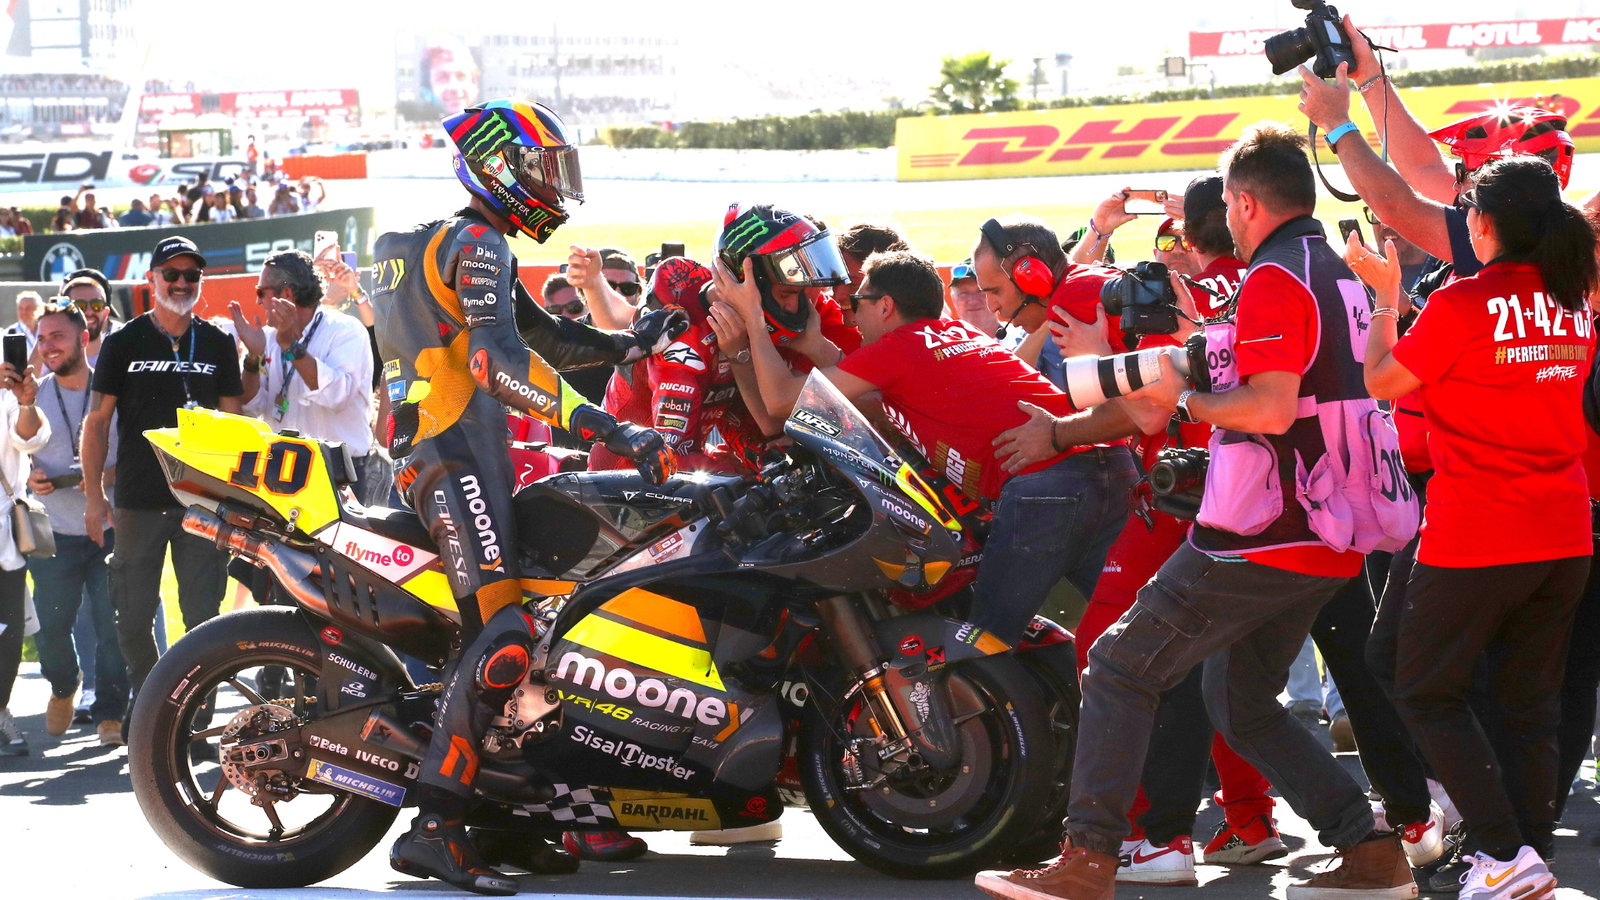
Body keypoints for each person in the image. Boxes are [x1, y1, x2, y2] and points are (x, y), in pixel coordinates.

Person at [975, 122, 1413, 900]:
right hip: (1331, 525)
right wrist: (1187, 362)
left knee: (1117, 666)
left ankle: (1088, 861)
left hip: (1265, 529)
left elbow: (1270, 407)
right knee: (1238, 703)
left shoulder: (1278, 275)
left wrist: (1182, 398)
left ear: (1245, 203)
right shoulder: (1333, 271)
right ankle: (1370, 852)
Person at [375, 98, 682, 894]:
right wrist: (607, 427)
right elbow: (495, 365)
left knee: (529, 637)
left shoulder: (447, 241)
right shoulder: (476, 242)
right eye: (543, 167)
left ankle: (503, 817)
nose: (554, 185)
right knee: (507, 639)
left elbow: (537, 337)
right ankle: (436, 826)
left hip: (440, 455)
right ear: (497, 166)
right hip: (453, 458)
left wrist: (627, 343)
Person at [1351, 155, 1595, 899]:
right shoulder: (1572, 300)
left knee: (1421, 686)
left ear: (1483, 223)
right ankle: (1524, 858)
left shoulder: (1463, 301)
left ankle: (1502, 852)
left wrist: (1385, 302)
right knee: (1528, 706)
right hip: (1564, 530)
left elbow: (1382, 380)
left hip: (1478, 529)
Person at [730, 247, 1133, 647]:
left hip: (1046, 489)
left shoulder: (898, 347)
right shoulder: (955, 333)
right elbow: (871, 400)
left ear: (885, 306)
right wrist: (813, 344)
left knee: (984, 641)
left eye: (858, 301)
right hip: (1111, 469)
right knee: (1131, 633)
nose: (851, 313)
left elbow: (780, 402)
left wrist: (753, 321)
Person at [82, 235, 243, 740]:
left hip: (204, 503)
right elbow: (96, 424)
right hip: (138, 501)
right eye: (170, 274)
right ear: (151, 279)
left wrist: (235, 498)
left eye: (191, 275)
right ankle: (151, 697)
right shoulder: (123, 342)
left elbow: (235, 424)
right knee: (131, 616)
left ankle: (195, 715)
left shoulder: (217, 343)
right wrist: (94, 497)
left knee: (204, 617)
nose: (181, 283)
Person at [26, 301, 125, 747]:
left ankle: (110, 713)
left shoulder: (113, 391)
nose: (48, 346)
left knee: (112, 626)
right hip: (51, 531)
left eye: (58, 337)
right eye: (42, 338)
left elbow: (139, 453)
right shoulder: (31, 396)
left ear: (84, 339)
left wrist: (102, 476)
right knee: (50, 630)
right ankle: (65, 686)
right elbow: (12, 452)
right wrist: (29, 476)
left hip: (109, 526)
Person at [233, 250, 376, 497]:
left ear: (286, 294)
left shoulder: (345, 330)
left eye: (261, 292)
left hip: (339, 475)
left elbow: (337, 396)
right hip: (280, 471)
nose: (258, 302)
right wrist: (252, 358)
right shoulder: (267, 337)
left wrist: (290, 346)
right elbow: (250, 407)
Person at [0, 342, 49, 756]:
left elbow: (30, 439)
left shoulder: (8, 393)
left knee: (8, 631)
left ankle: (0, 709)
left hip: (6, 538)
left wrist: (26, 401)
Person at [61, 268, 120, 368]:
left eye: (97, 305)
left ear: (106, 312)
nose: (89, 311)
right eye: (80, 305)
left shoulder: (124, 347)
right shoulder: (53, 353)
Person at [949, 259, 1000, 337]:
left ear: (997, 296)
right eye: (964, 294)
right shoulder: (943, 342)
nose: (973, 301)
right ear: (954, 299)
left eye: (981, 291)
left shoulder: (1019, 337)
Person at [6, 291, 42, 359]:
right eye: (20, 308)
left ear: (39, 309)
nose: (24, 312)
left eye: (28, 308)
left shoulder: (46, 330)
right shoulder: (9, 333)